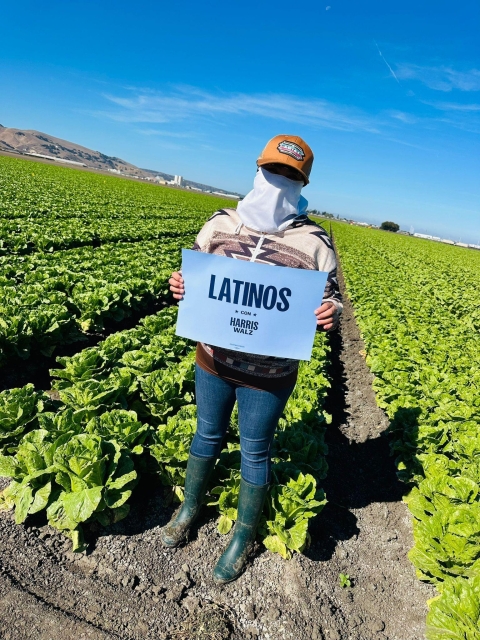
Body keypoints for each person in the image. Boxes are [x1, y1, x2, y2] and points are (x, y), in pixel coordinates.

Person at [162, 134, 343, 584]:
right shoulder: (220, 223)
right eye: (273, 170)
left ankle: (243, 537)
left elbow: (333, 299)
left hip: (269, 375)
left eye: (290, 175)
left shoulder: (316, 242)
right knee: (206, 434)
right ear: (258, 170)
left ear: (301, 183)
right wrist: (181, 287)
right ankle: (188, 509)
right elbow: (193, 276)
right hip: (213, 361)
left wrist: (331, 312)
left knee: (255, 453)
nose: (279, 180)